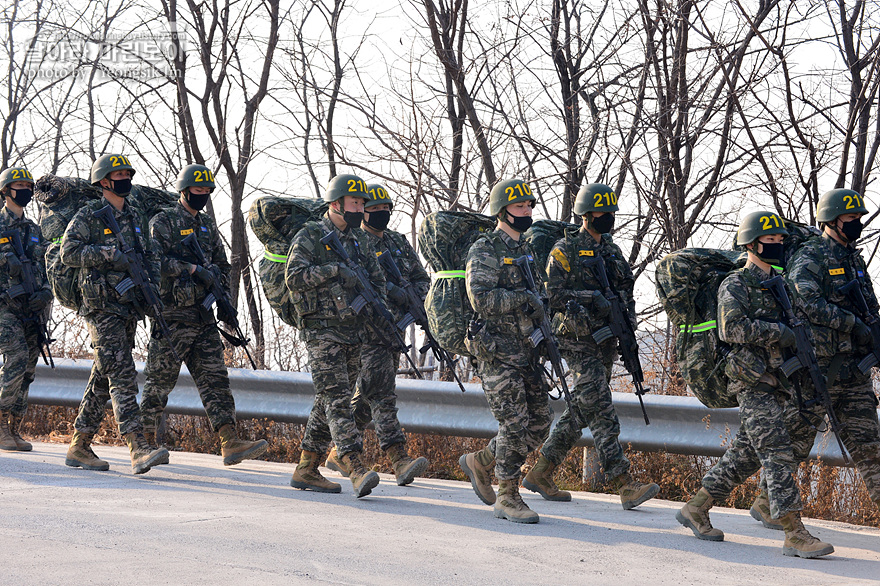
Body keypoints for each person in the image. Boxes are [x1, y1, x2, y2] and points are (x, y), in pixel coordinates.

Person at [677, 210, 833, 559]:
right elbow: (731, 330)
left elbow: (799, 327)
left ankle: (696, 507)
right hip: (751, 381)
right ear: (750, 243)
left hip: (780, 381)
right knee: (777, 452)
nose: (777, 245)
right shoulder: (735, 284)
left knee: (745, 455)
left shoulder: (780, 284)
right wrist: (780, 333)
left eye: (780, 240)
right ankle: (795, 532)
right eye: (770, 240)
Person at [749, 189, 880, 526]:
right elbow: (805, 302)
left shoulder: (853, 259)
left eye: (859, 219)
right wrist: (851, 323)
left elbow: (868, 305)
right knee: (795, 443)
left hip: (852, 371)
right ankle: (767, 502)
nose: (858, 225)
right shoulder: (812, 256)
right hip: (817, 369)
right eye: (852, 219)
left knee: (870, 447)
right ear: (833, 220)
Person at [524, 183, 659, 509]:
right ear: (586, 215)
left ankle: (541, 471)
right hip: (575, 338)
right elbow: (553, 296)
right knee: (599, 406)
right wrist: (592, 299)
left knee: (582, 408)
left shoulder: (612, 251)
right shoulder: (564, 250)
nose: (607, 218)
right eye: (601, 213)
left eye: (610, 213)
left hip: (606, 338)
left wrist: (627, 325)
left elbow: (625, 290)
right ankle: (623, 483)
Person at [140, 164, 268, 466]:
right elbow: (153, 262)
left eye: (207, 191)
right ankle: (143, 443)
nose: (203, 195)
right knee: (159, 383)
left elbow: (222, 265)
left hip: (202, 316)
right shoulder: (163, 221)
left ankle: (229, 441)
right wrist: (192, 269)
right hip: (171, 317)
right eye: (198, 190)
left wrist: (222, 296)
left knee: (216, 381)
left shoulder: (207, 225)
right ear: (184, 191)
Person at [62, 154, 169, 475]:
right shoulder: (89, 215)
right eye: (119, 174)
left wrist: (152, 295)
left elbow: (147, 257)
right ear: (104, 181)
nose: (125, 178)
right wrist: (109, 254)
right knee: (122, 373)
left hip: (128, 306)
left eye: (127, 173)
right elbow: (69, 252)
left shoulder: (135, 216)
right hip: (101, 307)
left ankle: (79, 445)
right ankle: (138, 447)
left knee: (104, 375)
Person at [458, 178, 553, 524]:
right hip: (497, 352)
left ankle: (481, 461)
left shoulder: (525, 250)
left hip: (527, 351)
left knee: (541, 422)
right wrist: (522, 299)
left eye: (529, 206)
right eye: (519, 207)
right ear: (502, 211)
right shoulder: (486, 248)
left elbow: (537, 297)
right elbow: (480, 299)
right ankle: (507, 495)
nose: (526, 211)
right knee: (514, 424)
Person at [324, 182, 430, 486]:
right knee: (380, 391)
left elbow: (420, 277)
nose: (379, 214)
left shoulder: (396, 241)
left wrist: (411, 296)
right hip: (368, 328)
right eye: (373, 209)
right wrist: (393, 292)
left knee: (374, 390)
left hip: (393, 327)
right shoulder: (357, 242)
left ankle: (339, 450)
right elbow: (366, 282)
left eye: (385, 209)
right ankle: (397, 458)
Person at [285, 173, 383, 498]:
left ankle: (306, 468)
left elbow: (377, 280)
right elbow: (294, 277)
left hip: (352, 331)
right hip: (321, 331)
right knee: (338, 398)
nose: (360, 208)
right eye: (355, 202)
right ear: (336, 203)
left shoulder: (360, 240)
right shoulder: (311, 235)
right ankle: (354, 466)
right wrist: (334, 271)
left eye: (362, 203)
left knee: (325, 401)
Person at [0, 166, 52, 451]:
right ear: (6, 191)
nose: (25, 191)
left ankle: (14, 427)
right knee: (17, 356)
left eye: (28, 186)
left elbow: (45, 266)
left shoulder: (34, 230)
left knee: (29, 364)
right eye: (18, 185)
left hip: (29, 307)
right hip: (3, 305)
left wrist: (45, 292)